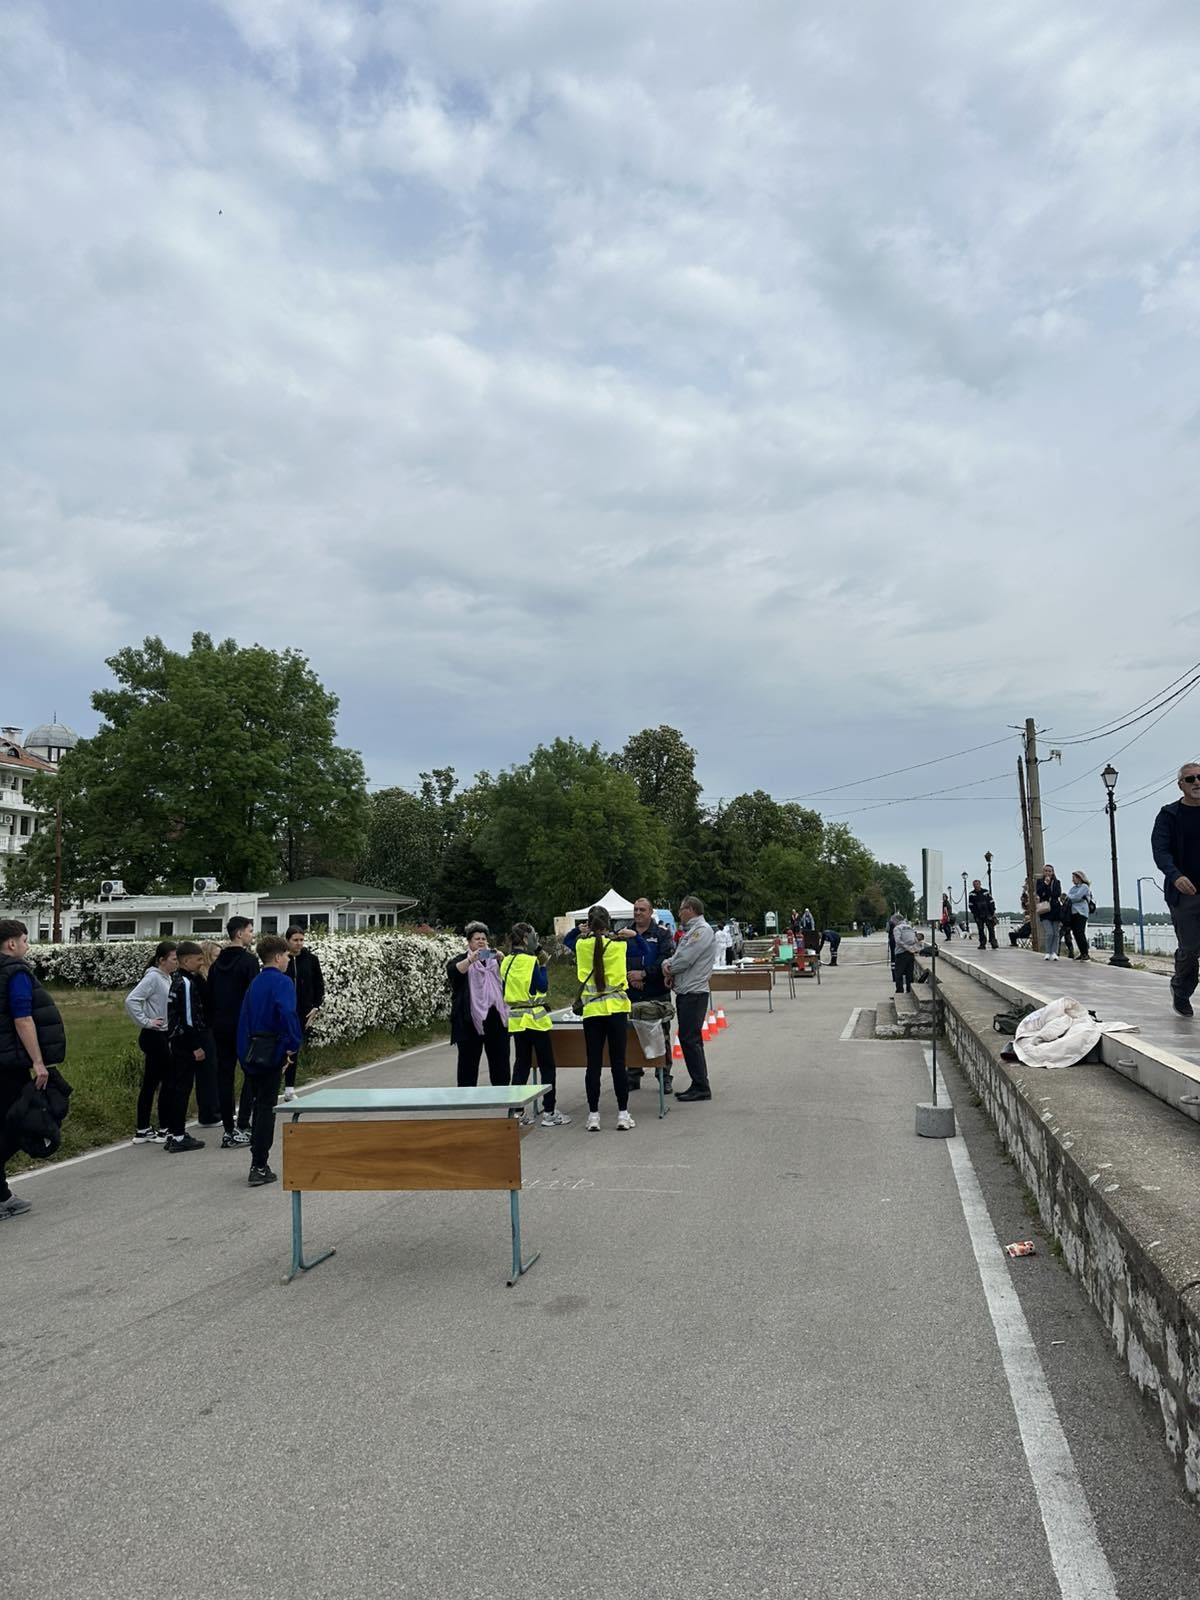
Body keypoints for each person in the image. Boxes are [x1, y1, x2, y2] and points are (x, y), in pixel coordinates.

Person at [0, 919, 64, 1220]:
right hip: (9, 1063)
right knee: (17, 1124)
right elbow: (23, 1018)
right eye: (25, 940)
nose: (27, 946)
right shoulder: (15, 972)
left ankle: (3, 1196)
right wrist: (38, 1061)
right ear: (12, 943)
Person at [237, 934, 303, 1186]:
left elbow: (244, 1018)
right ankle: (259, 1164)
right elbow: (287, 1013)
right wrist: (292, 1046)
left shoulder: (255, 982)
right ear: (277, 957)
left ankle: (257, 1158)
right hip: (272, 1050)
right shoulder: (283, 982)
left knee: (257, 1105)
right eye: (286, 955)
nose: (288, 959)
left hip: (251, 1051)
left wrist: (243, 1053)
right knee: (266, 1108)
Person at [575, 905, 637, 1131]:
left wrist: (581, 932)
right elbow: (644, 951)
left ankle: (593, 1116)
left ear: (589, 924)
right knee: (618, 1063)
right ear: (609, 923)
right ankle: (622, 1113)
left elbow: (569, 940)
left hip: (592, 1011)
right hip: (616, 1009)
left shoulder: (581, 945)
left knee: (593, 1064)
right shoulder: (619, 946)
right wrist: (634, 935)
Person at [501, 924, 569, 1128]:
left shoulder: (505, 961)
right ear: (525, 939)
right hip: (535, 1019)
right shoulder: (531, 961)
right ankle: (549, 1111)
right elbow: (542, 986)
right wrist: (543, 967)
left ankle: (517, 1112)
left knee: (521, 1065)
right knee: (547, 1065)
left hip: (516, 1020)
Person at [1151, 762, 1200, 1017]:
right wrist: (1175, 875)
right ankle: (1181, 989)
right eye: (1190, 779)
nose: (1197, 782)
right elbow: (1161, 851)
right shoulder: (1169, 815)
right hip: (1184, 894)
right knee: (1190, 949)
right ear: (1181, 785)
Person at [206, 917, 259, 1148]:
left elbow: (209, 997)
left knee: (224, 1076)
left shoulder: (217, 964)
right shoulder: (249, 961)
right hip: (243, 1026)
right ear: (239, 933)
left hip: (220, 1027)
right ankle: (243, 1123)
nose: (252, 935)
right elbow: (254, 995)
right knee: (252, 1073)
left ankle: (228, 1127)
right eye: (250, 931)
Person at [617, 897, 674, 1093]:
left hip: (656, 993)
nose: (638, 913)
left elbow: (665, 959)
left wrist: (644, 975)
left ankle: (664, 1077)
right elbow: (617, 958)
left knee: (661, 1036)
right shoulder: (624, 934)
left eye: (642, 909)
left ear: (650, 912)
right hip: (631, 992)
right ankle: (633, 1075)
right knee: (631, 1036)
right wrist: (630, 977)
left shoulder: (662, 934)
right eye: (635, 909)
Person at [664, 894, 717, 1102]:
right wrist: (669, 965)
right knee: (690, 1040)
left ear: (691, 910)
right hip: (688, 991)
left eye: (681, 909)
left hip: (694, 993)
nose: (679, 914)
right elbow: (678, 956)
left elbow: (684, 959)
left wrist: (668, 969)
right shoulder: (692, 931)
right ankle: (699, 1083)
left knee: (690, 1040)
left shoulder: (701, 931)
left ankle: (701, 1086)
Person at [124, 940, 177, 1142]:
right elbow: (132, 1000)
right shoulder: (153, 977)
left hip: (162, 1034)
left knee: (151, 1081)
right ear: (162, 960)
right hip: (154, 1035)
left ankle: (143, 1128)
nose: (176, 962)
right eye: (173, 959)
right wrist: (146, 1021)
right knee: (168, 1079)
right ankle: (165, 1127)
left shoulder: (167, 977)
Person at [447, 922, 511, 1087]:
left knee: (500, 1062)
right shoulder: (462, 959)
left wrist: (502, 958)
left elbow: (510, 975)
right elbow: (453, 972)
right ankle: (467, 1096)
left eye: (483, 938)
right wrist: (471, 960)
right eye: (477, 939)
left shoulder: (494, 959)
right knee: (468, 1064)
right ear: (469, 942)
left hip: (495, 1016)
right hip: (470, 1019)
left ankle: (502, 1094)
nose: (481, 941)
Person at [162, 941, 208, 1153]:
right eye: (198, 959)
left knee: (175, 1086)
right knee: (183, 1088)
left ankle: (173, 1132)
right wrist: (196, 1046)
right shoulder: (187, 983)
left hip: (175, 1040)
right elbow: (188, 1018)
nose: (201, 963)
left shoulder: (176, 979)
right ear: (186, 960)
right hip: (185, 1042)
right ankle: (179, 1136)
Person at [282, 925, 325, 1102]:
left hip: (302, 1012)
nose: (299, 943)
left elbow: (319, 984)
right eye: (295, 940)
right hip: (284, 1011)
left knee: (294, 1047)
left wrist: (316, 1006)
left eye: (301, 940)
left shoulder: (311, 959)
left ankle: (289, 1088)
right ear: (288, 941)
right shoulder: (282, 959)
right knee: (280, 1047)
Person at [192, 940, 222, 1126]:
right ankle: (208, 1114)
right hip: (204, 1028)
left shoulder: (210, 976)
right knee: (207, 1072)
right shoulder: (200, 979)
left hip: (211, 1026)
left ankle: (215, 1110)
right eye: (216, 956)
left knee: (213, 1070)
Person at [1036, 865, 1063, 961]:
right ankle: (1047, 952)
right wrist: (1046, 884)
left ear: (1053, 872)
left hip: (1055, 909)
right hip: (1045, 910)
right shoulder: (1040, 882)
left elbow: (1057, 894)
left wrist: (1048, 892)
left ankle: (1054, 952)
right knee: (1049, 932)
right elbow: (1040, 893)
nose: (1048, 873)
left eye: (1049, 871)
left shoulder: (1056, 882)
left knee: (1056, 933)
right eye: (1046, 871)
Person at [1064, 872, 1093, 960]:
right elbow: (1068, 897)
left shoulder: (1084, 887)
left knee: (1080, 932)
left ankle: (1085, 953)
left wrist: (1071, 897)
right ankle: (1081, 952)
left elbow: (1077, 896)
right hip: (1073, 912)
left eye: (1074, 878)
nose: (1073, 880)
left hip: (1081, 912)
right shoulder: (1073, 888)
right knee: (1075, 933)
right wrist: (1072, 897)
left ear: (1079, 878)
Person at [968, 880, 998, 950]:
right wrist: (974, 912)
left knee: (991, 928)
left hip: (988, 913)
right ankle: (982, 943)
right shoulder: (971, 894)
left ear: (980, 884)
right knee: (980, 929)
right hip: (978, 914)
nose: (976, 886)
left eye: (977, 884)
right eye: (974, 884)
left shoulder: (986, 892)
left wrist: (993, 911)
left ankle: (993, 942)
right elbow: (970, 904)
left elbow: (991, 901)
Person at [893, 917, 919, 993]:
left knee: (899, 973)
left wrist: (906, 947)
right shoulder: (910, 927)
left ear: (896, 921)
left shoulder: (897, 928)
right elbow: (915, 940)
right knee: (909, 973)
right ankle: (909, 990)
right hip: (911, 954)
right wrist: (913, 948)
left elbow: (898, 941)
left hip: (901, 953)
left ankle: (900, 991)